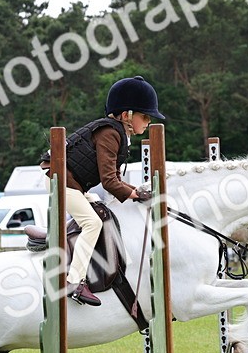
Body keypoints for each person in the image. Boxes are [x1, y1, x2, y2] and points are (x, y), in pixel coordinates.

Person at [40, 76, 161, 306]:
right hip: (58, 178)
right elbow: (109, 182)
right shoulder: (110, 134)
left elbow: (113, 179)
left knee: (97, 204)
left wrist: (135, 191)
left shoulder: (117, 133)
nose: (147, 122)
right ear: (127, 115)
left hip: (69, 180)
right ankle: (75, 282)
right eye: (145, 116)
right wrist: (136, 194)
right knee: (92, 223)